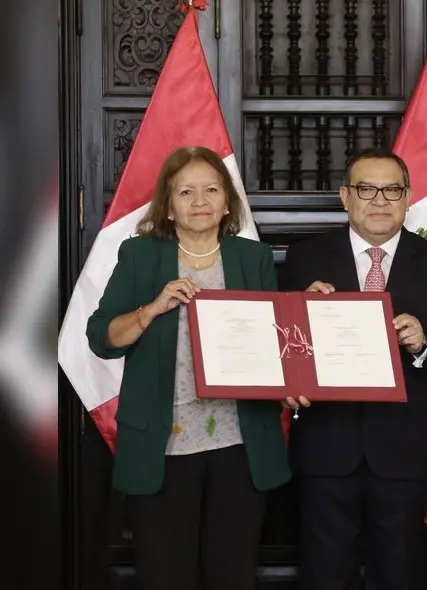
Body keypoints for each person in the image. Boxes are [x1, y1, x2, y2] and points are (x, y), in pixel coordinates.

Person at [86, 146, 291, 590]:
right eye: (186, 192)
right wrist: (153, 308)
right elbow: (101, 339)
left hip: (241, 444)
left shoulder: (251, 258)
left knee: (232, 575)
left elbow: (272, 341)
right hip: (162, 446)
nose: (200, 201)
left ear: (226, 202)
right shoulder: (140, 255)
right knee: (166, 576)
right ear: (169, 206)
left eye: (211, 190)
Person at [282, 146, 427, 590]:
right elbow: (283, 348)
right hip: (326, 443)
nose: (380, 200)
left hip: (400, 445)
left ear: (408, 197)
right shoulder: (305, 259)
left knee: (400, 571)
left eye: (392, 189)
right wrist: (302, 311)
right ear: (344, 196)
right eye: (367, 189)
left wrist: (425, 343)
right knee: (325, 572)